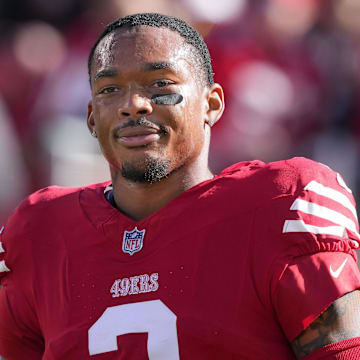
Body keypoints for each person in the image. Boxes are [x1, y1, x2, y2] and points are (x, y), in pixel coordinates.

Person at [0, 13, 360, 360]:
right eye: (110, 89)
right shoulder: (39, 233)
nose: (133, 105)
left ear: (212, 104)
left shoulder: (282, 202)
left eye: (161, 85)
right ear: (92, 117)